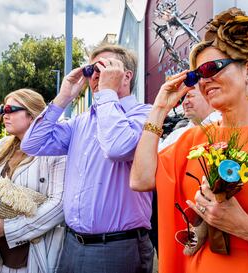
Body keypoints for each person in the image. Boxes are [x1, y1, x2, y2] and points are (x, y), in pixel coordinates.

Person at [130, 7, 248, 273]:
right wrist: (159, 108)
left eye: (211, 68)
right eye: (197, 75)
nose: (204, 80)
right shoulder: (193, 139)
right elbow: (140, 180)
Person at [21, 44, 154, 273]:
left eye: (104, 67)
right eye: (91, 69)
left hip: (117, 246)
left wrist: (106, 94)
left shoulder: (145, 114)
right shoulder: (81, 122)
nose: (95, 75)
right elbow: (32, 144)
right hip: (73, 243)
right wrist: (64, 97)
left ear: (127, 76)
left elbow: (117, 147)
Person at [0, 88, 66, 273]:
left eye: (9, 110)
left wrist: (8, 228)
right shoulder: (3, 145)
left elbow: (59, 204)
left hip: (30, 246)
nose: (4, 115)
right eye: (2, 110)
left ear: (32, 114)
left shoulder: (55, 148)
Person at [158, 87, 220, 151]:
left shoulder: (225, 125)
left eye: (189, 96)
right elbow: (154, 157)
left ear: (208, 97)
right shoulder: (177, 135)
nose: (184, 103)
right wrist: (159, 108)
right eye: (182, 99)